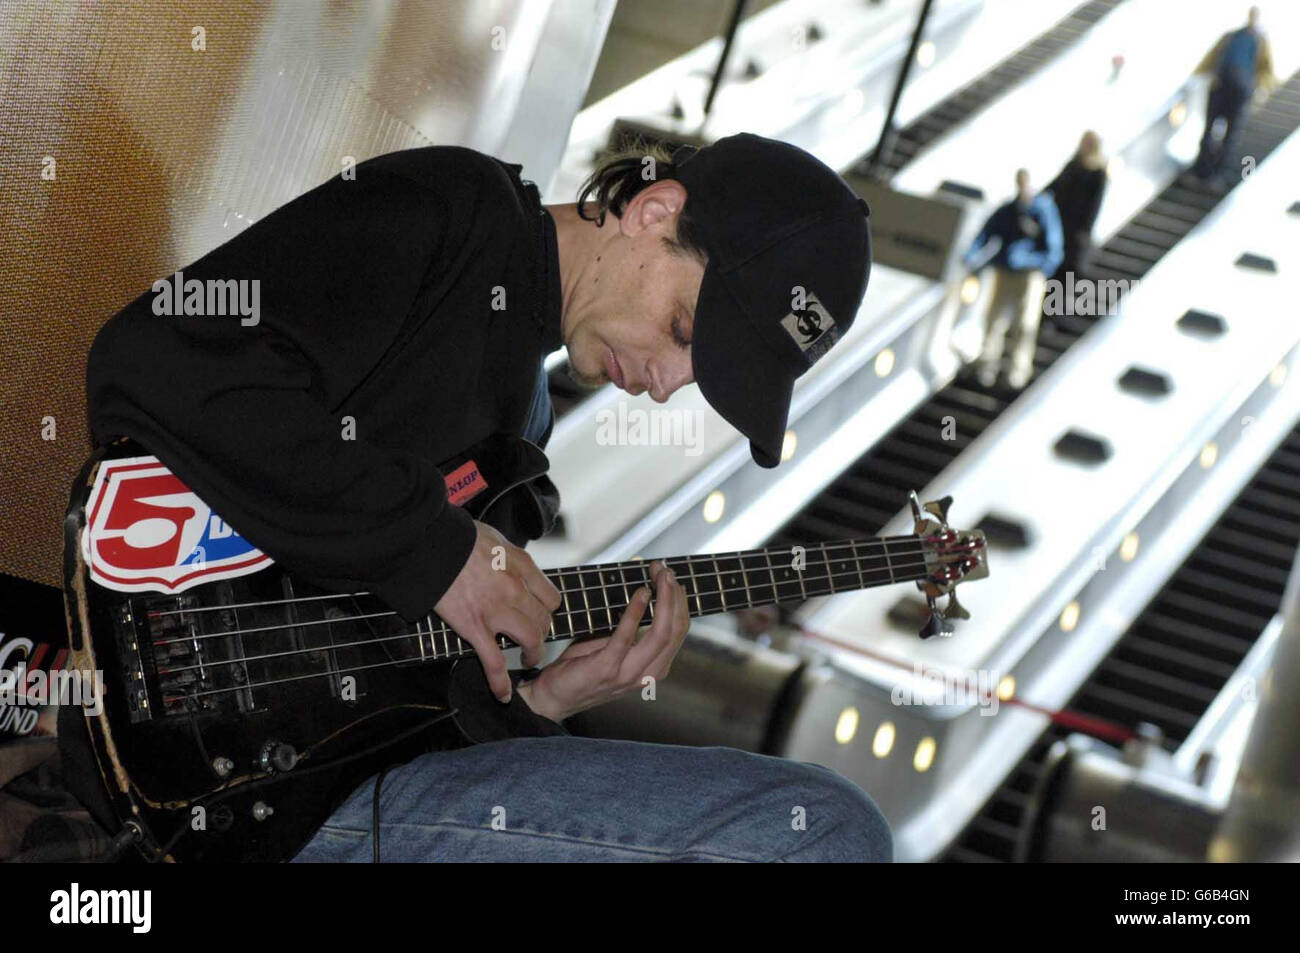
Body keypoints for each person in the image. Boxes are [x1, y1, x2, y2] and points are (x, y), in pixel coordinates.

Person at [69, 133, 891, 862]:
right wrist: (435, 548)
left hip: (309, 804)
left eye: (702, 375)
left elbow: (396, 717)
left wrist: (542, 701)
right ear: (651, 211)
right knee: (822, 830)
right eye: (684, 331)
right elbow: (156, 356)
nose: (670, 385)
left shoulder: (523, 441)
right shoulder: (455, 215)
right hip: (193, 732)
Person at [962, 169, 1063, 390]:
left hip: (1030, 273)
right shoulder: (1009, 209)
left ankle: (1017, 372)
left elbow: (1053, 248)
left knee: (1024, 323)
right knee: (994, 319)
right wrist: (972, 254)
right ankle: (987, 365)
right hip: (1005, 270)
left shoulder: (1043, 210)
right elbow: (986, 232)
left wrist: (1039, 264)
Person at [1192, 5, 1278, 182]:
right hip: (1228, 87)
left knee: (1224, 133)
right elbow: (1212, 57)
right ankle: (1206, 171)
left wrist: (1263, 89)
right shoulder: (1239, 38)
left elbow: (1266, 70)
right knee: (1216, 131)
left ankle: (1213, 172)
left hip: (1232, 88)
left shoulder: (1254, 40)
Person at [1044, 131, 1108, 284]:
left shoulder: (1098, 173)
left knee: (1064, 274)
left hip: (1075, 231)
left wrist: (1085, 228)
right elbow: (1055, 186)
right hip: (1060, 223)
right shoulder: (1073, 165)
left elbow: (1094, 204)